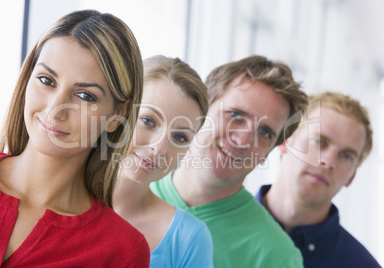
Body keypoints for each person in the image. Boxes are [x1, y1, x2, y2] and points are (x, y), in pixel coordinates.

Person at [0, 10, 150, 266]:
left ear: (118, 114)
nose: (54, 109)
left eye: (85, 96)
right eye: (46, 80)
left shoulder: (123, 251)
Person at [151, 55, 308, 267]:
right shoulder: (121, 186)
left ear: (268, 153)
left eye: (264, 132)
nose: (242, 139)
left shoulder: (277, 257)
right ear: (202, 109)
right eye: (235, 114)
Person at [256, 92, 381, 268]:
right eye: (319, 141)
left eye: (346, 155)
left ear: (351, 176)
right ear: (285, 140)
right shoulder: (213, 227)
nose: (329, 162)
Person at [113, 55, 213, 267]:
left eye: (180, 137)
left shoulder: (189, 239)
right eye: (148, 121)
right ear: (120, 112)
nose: (159, 148)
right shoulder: (57, 196)